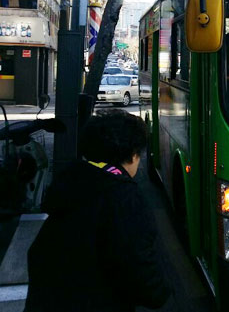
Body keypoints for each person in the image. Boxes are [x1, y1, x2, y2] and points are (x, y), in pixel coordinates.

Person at [24, 109, 170, 312]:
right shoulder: (123, 198)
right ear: (132, 155)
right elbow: (140, 270)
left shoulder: (71, 181)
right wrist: (161, 291)